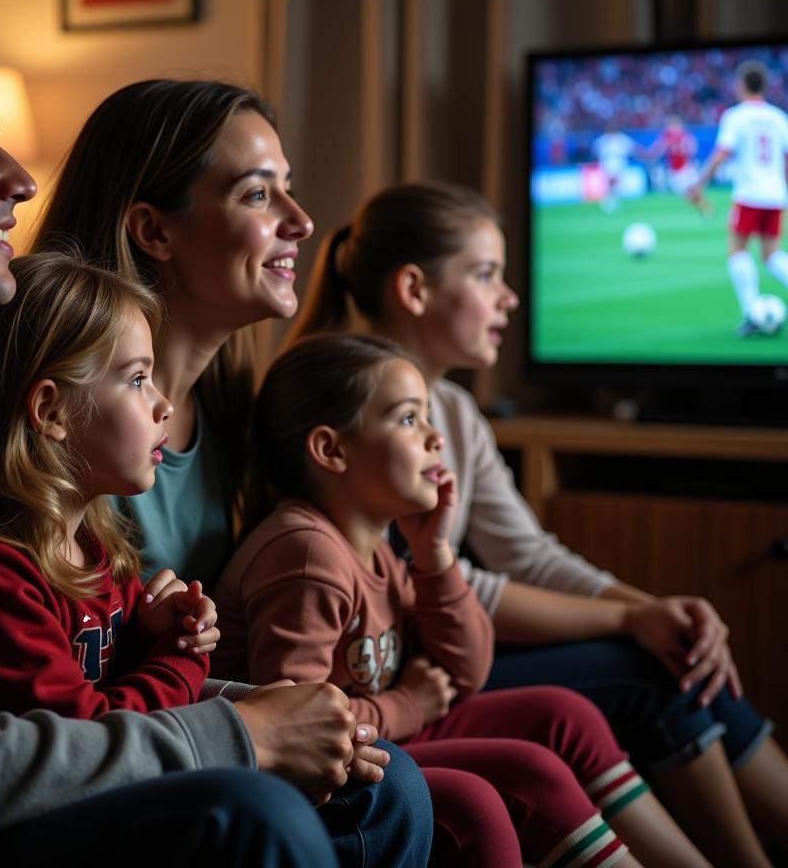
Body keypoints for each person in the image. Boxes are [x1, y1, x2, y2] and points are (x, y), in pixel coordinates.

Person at [0, 0, 391, 868]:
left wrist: (278, 707)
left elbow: (79, 675)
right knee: (253, 819)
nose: (20, 180)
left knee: (380, 784)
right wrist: (237, 731)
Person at [288, 180, 788, 867]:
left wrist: (652, 608)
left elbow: (527, 554)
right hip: (411, 669)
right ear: (414, 289)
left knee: (678, 647)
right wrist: (625, 621)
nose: (510, 298)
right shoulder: (357, 418)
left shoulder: (455, 412)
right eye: (487, 275)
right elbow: (452, 582)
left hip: (454, 650)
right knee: (650, 667)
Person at [34, 78, 434, 868]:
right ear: (154, 230)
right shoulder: (63, 419)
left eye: (288, 189)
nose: (303, 221)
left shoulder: (234, 409)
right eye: (259, 194)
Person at [215, 332, 717, 867]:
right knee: (517, 779)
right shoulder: (307, 555)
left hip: (376, 732)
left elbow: (468, 668)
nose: (436, 438)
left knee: (561, 712)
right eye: (410, 419)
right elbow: (297, 729)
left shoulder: (379, 549)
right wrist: (409, 704)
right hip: (320, 772)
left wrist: (434, 554)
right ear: (331, 450)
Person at [0, 251, 221, 718]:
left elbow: (112, 673)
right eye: (138, 379)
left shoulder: (96, 550)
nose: (165, 406)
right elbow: (89, 736)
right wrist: (181, 657)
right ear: (52, 412)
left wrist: (152, 630)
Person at [689, 60, 788, 336]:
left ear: (741, 84)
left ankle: (751, 313)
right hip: (776, 194)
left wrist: (699, 183)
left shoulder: (735, 116)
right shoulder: (779, 117)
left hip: (750, 194)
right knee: (771, 256)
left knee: (737, 252)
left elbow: (722, 153)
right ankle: (756, 313)